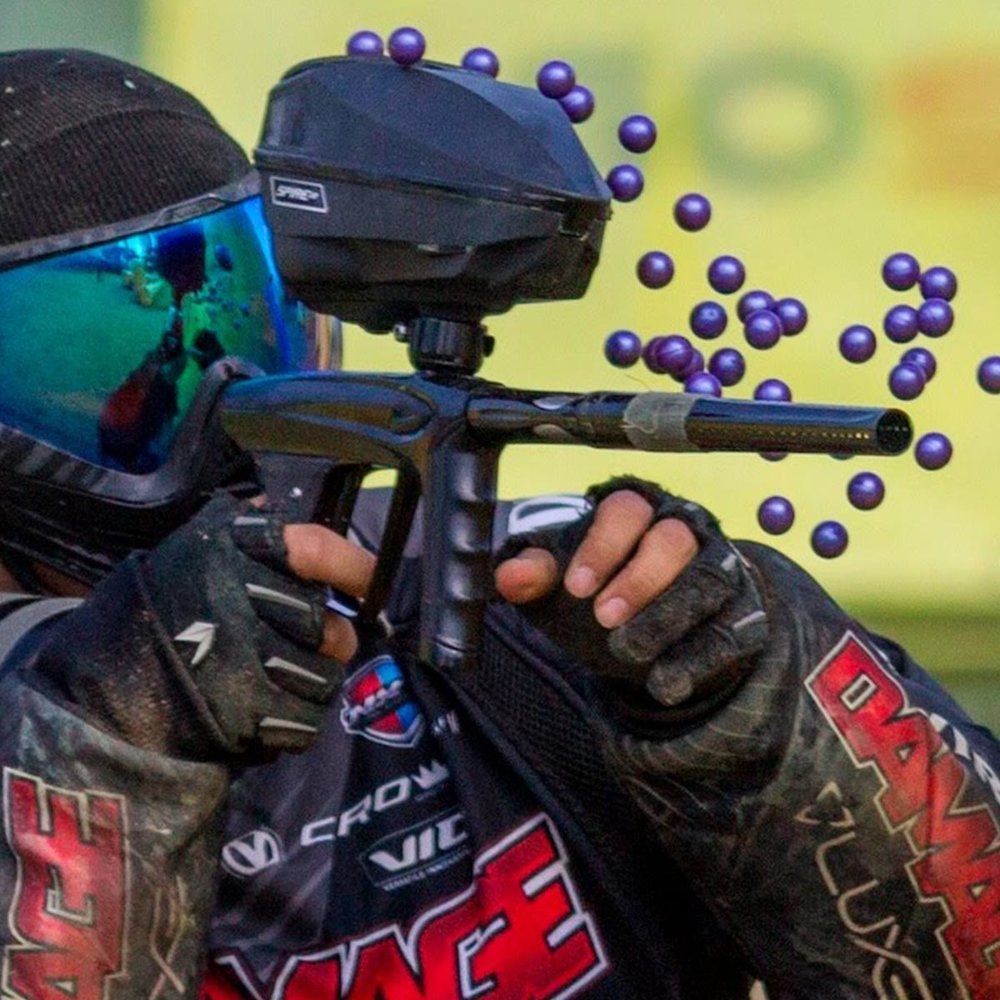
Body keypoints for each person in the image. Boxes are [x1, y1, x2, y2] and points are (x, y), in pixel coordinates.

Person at [0, 49, 995, 1000]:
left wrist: (758, 710)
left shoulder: (500, 599)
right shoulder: (46, 707)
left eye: (243, 309)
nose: (215, 391)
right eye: (98, 358)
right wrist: (107, 733)